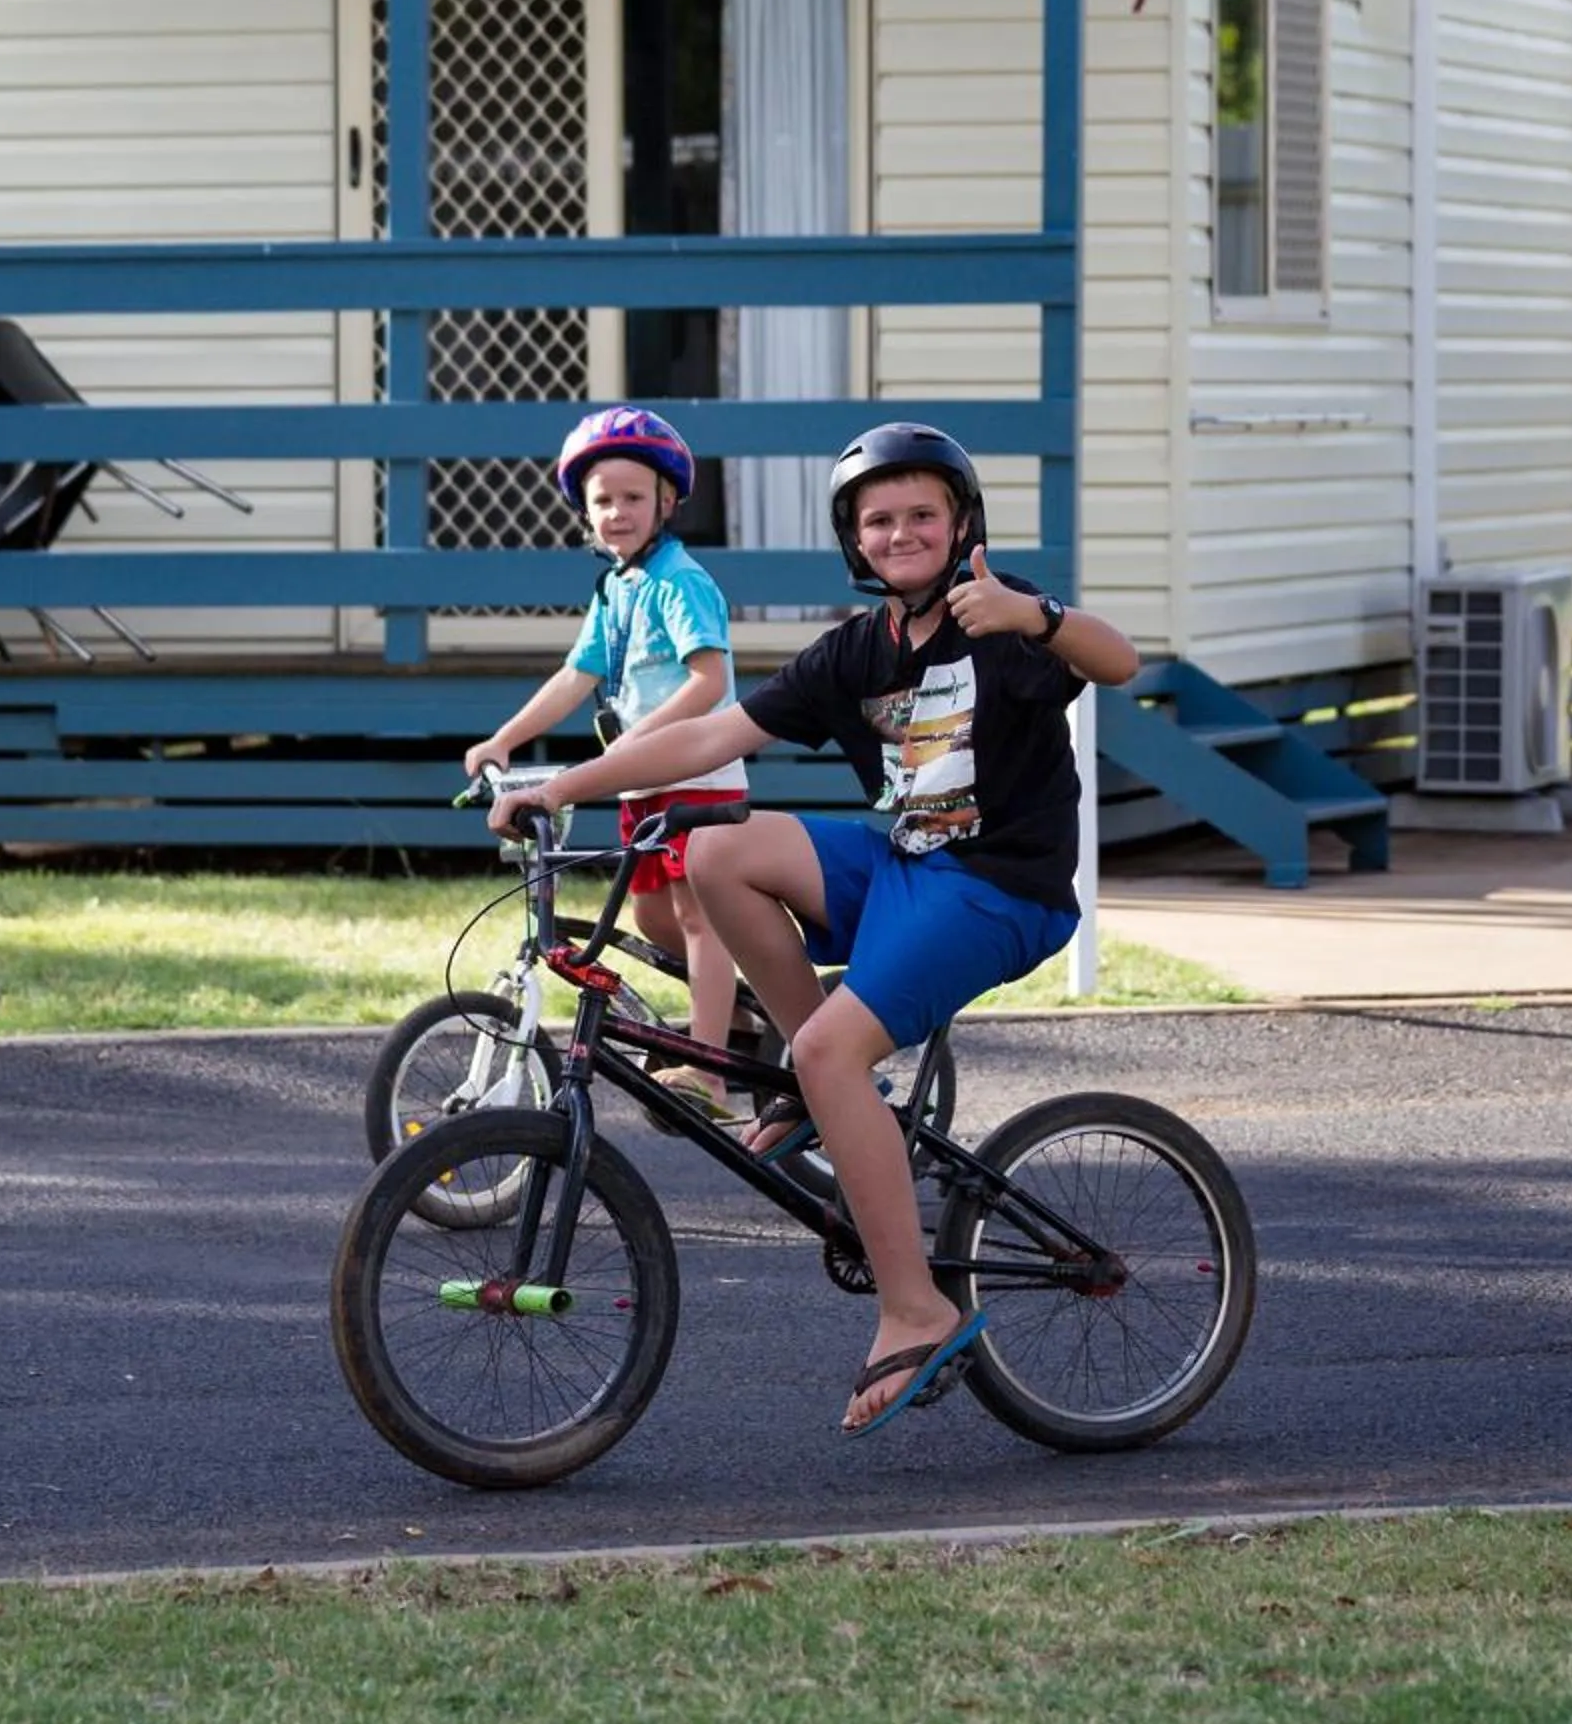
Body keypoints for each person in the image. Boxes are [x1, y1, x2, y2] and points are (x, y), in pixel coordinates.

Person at [488, 421, 1140, 1437]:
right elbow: (709, 733)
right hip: (909, 863)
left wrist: (1037, 612)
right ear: (855, 537)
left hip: (1001, 888)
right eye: (879, 519)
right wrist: (558, 781)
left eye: (923, 513)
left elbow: (1121, 658)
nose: (901, 532)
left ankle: (916, 1305)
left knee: (838, 1046)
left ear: (961, 521)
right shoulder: (856, 650)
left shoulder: (1000, 620)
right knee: (718, 850)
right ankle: (812, 1074)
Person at [464, 406, 749, 1119]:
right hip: (641, 781)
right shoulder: (616, 588)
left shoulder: (678, 582)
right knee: (653, 916)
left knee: (696, 919)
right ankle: (742, 1017)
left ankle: (709, 1071)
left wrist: (635, 743)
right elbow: (575, 677)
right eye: (602, 501)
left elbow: (709, 681)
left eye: (631, 497)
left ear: (667, 501)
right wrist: (505, 738)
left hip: (695, 777)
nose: (616, 513)